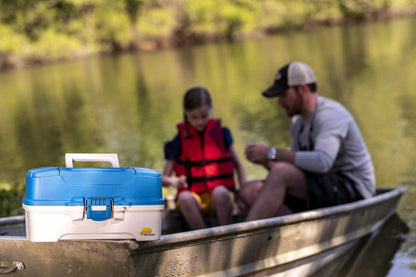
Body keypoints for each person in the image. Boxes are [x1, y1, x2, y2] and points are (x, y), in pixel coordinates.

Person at [239, 61, 375, 221]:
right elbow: (295, 168)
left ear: (302, 89)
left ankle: (244, 242)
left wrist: (272, 153)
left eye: (284, 95)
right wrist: (265, 160)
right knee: (248, 191)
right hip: (322, 186)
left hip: (353, 189)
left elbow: (322, 162)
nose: (280, 102)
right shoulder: (297, 122)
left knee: (281, 172)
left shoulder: (330, 114)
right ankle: (290, 235)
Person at [162, 86, 246, 230]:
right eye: (194, 117)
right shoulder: (178, 141)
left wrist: (243, 194)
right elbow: (163, 179)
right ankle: (203, 238)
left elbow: (239, 165)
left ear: (211, 109)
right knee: (184, 198)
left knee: (220, 192)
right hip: (196, 201)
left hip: (219, 199)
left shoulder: (223, 133)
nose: (199, 122)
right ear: (185, 112)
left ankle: (227, 235)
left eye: (204, 116)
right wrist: (172, 181)